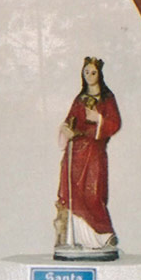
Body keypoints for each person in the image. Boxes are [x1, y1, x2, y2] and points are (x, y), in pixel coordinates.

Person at [53, 55, 122, 257]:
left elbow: (114, 123)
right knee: (74, 193)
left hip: (94, 152)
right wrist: (66, 129)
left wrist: (98, 118)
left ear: (99, 74)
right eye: (86, 72)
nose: (90, 76)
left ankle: (102, 236)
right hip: (75, 153)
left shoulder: (107, 99)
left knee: (93, 193)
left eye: (93, 72)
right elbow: (70, 120)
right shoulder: (80, 99)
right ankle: (78, 239)